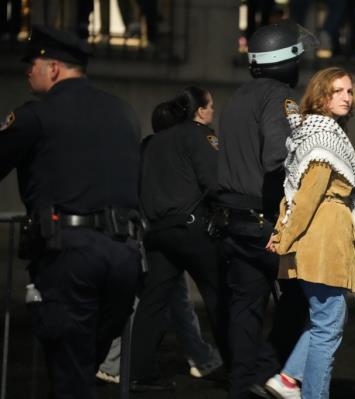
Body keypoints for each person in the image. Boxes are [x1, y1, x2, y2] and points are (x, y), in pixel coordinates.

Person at [0, 25, 142, 399]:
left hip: (70, 258)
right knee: (82, 366)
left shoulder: (37, 116)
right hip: (124, 256)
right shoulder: (124, 112)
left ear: (55, 69)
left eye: (34, 63)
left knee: (70, 377)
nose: (28, 70)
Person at [216, 21, 316, 399]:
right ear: (285, 60)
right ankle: (271, 371)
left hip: (234, 221)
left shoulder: (237, 96)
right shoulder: (280, 97)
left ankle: (242, 385)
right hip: (268, 224)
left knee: (245, 307)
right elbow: (278, 155)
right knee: (302, 296)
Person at [264, 66, 355, 399]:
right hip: (323, 239)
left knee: (325, 322)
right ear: (321, 96)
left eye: (349, 91)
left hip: (320, 237)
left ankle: (287, 380)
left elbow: (293, 192)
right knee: (328, 326)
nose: (346, 96)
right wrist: (283, 237)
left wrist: (282, 231)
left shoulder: (314, 131)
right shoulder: (324, 136)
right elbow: (308, 194)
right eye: (337, 91)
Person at [129, 86, 228, 391]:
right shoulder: (198, 135)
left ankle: (139, 373)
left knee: (153, 302)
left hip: (157, 232)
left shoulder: (150, 144)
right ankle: (241, 368)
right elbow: (216, 183)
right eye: (210, 106)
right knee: (221, 295)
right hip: (193, 229)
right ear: (199, 111)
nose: (213, 112)